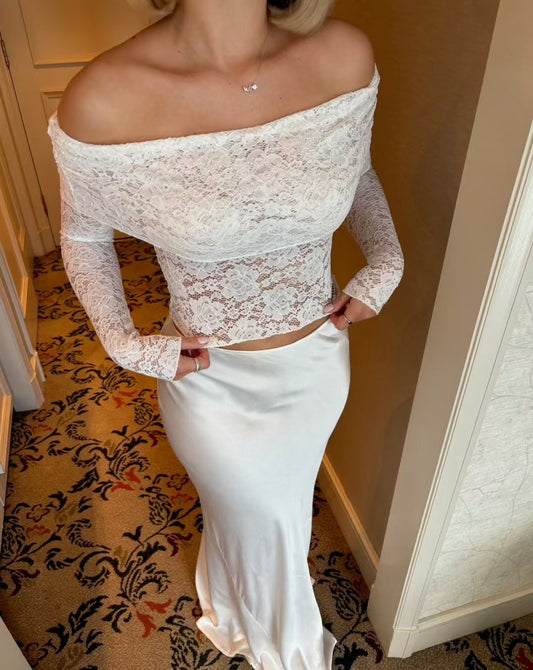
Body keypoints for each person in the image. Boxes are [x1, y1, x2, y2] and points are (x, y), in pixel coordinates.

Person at [46, 0, 404, 667]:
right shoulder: (104, 96)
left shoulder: (343, 56)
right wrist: (123, 343)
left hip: (317, 365)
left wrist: (386, 260)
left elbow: (354, 173)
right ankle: (289, 652)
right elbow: (84, 234)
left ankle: (234, 602)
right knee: (265, 519)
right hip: (212, 383)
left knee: (273, 516)